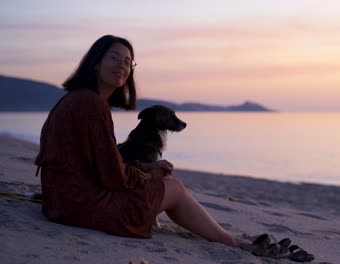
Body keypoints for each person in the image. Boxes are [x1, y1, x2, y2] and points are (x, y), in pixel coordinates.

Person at [35, 35, 314, 262]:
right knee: (175, 188)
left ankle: (230, 238)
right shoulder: (91, 105)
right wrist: (150, 176)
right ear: (95, 63)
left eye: (128, 62)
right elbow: (112, 177)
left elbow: (96, 163)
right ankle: (237, 242)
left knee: (165, 182)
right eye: (114, 58)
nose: (122, 65)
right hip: (81, 207)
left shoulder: (77, 100)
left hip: (62, 201)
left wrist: (144, 167)